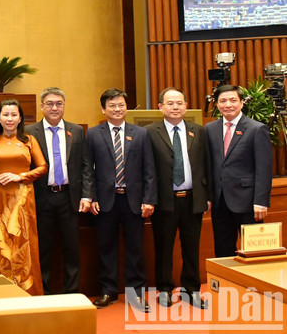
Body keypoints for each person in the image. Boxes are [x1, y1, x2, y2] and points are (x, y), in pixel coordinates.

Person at [81, 88, 156, 312]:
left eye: (121, 105)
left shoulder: (141, 133)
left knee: (135, 249)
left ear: (127, 107)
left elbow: (149, 170)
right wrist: (91, 195)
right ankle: (107, 291)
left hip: (133, 201)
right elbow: (88, 169)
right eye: (112, 105)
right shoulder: (94, 134)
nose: (117, 109)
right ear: (103, 109)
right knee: (106, 248)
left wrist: (149, 199)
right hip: (105, 201)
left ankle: (136, 295)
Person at [147, 87, 211, 309]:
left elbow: (206, 166)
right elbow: (147, 169)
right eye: (170, 103)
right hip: (165, 200)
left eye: (179, 103)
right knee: (163, 247)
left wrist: (207, 196)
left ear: (186, 106)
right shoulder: (149, 132)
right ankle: (164, 289)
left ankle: (192, 290)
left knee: (191, 248)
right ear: (160, 107)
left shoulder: (198, 131)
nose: (175, 107)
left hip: (193, 199)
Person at [24, 87, 87, 295]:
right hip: (42, 198)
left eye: (59, 103)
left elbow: (85, 166)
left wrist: (86, 195)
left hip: (70, 197)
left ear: (64, 106)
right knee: (42, 249)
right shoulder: (29, 132)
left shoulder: (76, 131)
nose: (54, 107)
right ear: (41, 106)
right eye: (49, 103)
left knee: (72, 249)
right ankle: (45, 293)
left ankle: (72, 293)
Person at [0, 98, 46, 293]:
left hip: (22, 199)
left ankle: (27, 290)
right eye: (6, 114)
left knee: (24, 243)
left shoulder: (29, 140)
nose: (10, 118)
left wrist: (20, 176)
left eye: (14, 114)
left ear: (20, 118)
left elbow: (42, 167)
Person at [206, 84, 272, 257]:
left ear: (242, 103)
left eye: (233, 100)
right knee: (223, 251)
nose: (228, 104)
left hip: (249, 203)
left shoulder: (257, 129)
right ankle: (227, 284)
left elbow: (264, 168)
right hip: (220, 203)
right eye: (223, 101)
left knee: (254, 252)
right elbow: (208, 165)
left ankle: (255, 285)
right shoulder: (209, 129)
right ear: (217, 104)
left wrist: (261, 201)